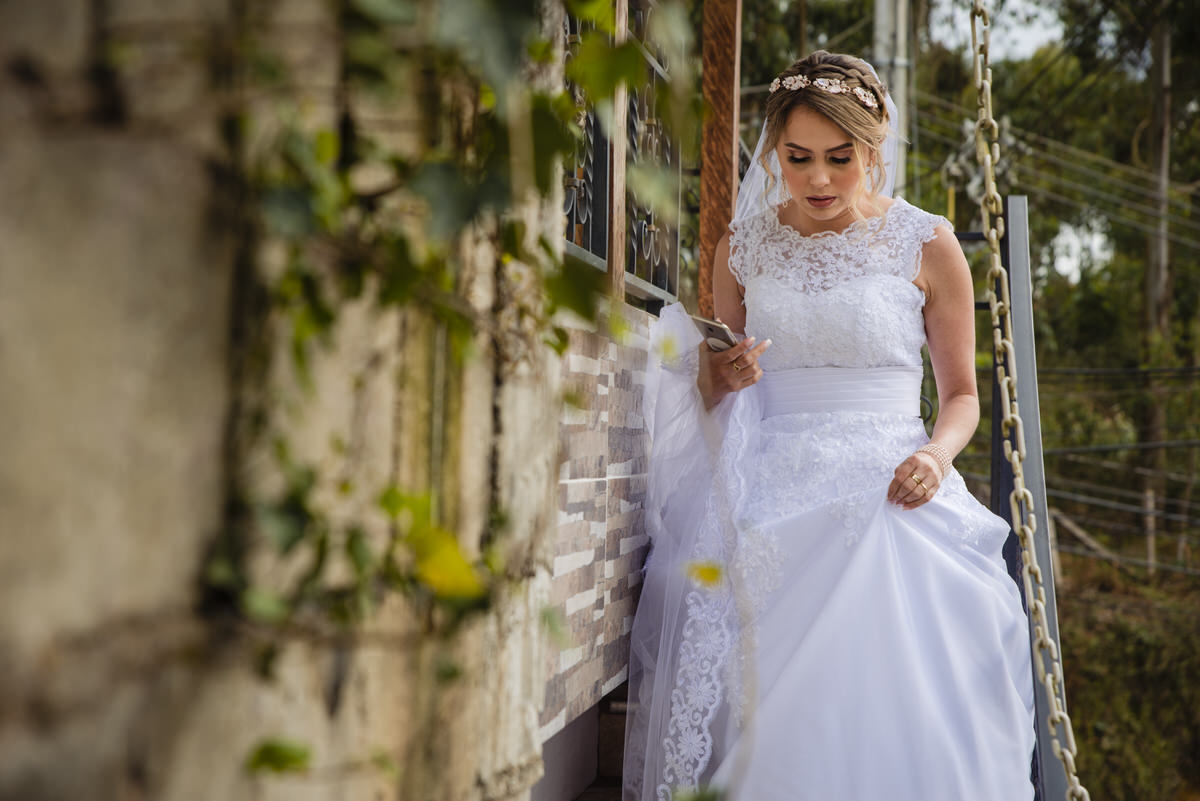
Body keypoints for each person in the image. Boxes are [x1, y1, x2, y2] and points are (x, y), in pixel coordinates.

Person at [623, 51, 1036, 801]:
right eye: (797, 157)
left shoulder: (927, 242)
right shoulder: (742, 248)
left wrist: (935, 458)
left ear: (873, 149)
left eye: (839, 158)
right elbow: (714, 392)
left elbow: (961, 397)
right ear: (772, 153)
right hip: (770, 486)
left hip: (894, 483)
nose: (816, 178)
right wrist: (725, 378)